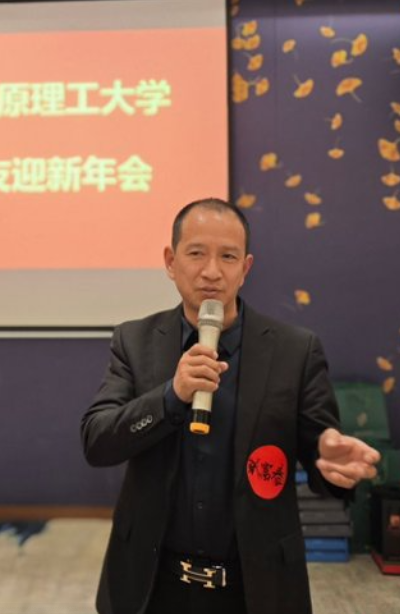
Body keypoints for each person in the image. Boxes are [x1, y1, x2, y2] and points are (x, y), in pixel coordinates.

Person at [81, 198, 380, 614]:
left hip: (256, 589)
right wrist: (171, 396)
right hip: (150, 586)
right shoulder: (134, 341)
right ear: (170, 262)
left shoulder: (295, 350)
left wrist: (331, 459)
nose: (211, 271)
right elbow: (98, 441)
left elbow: (321, 455)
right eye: (196, 253)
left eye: (228, 256)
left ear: (246, 268)